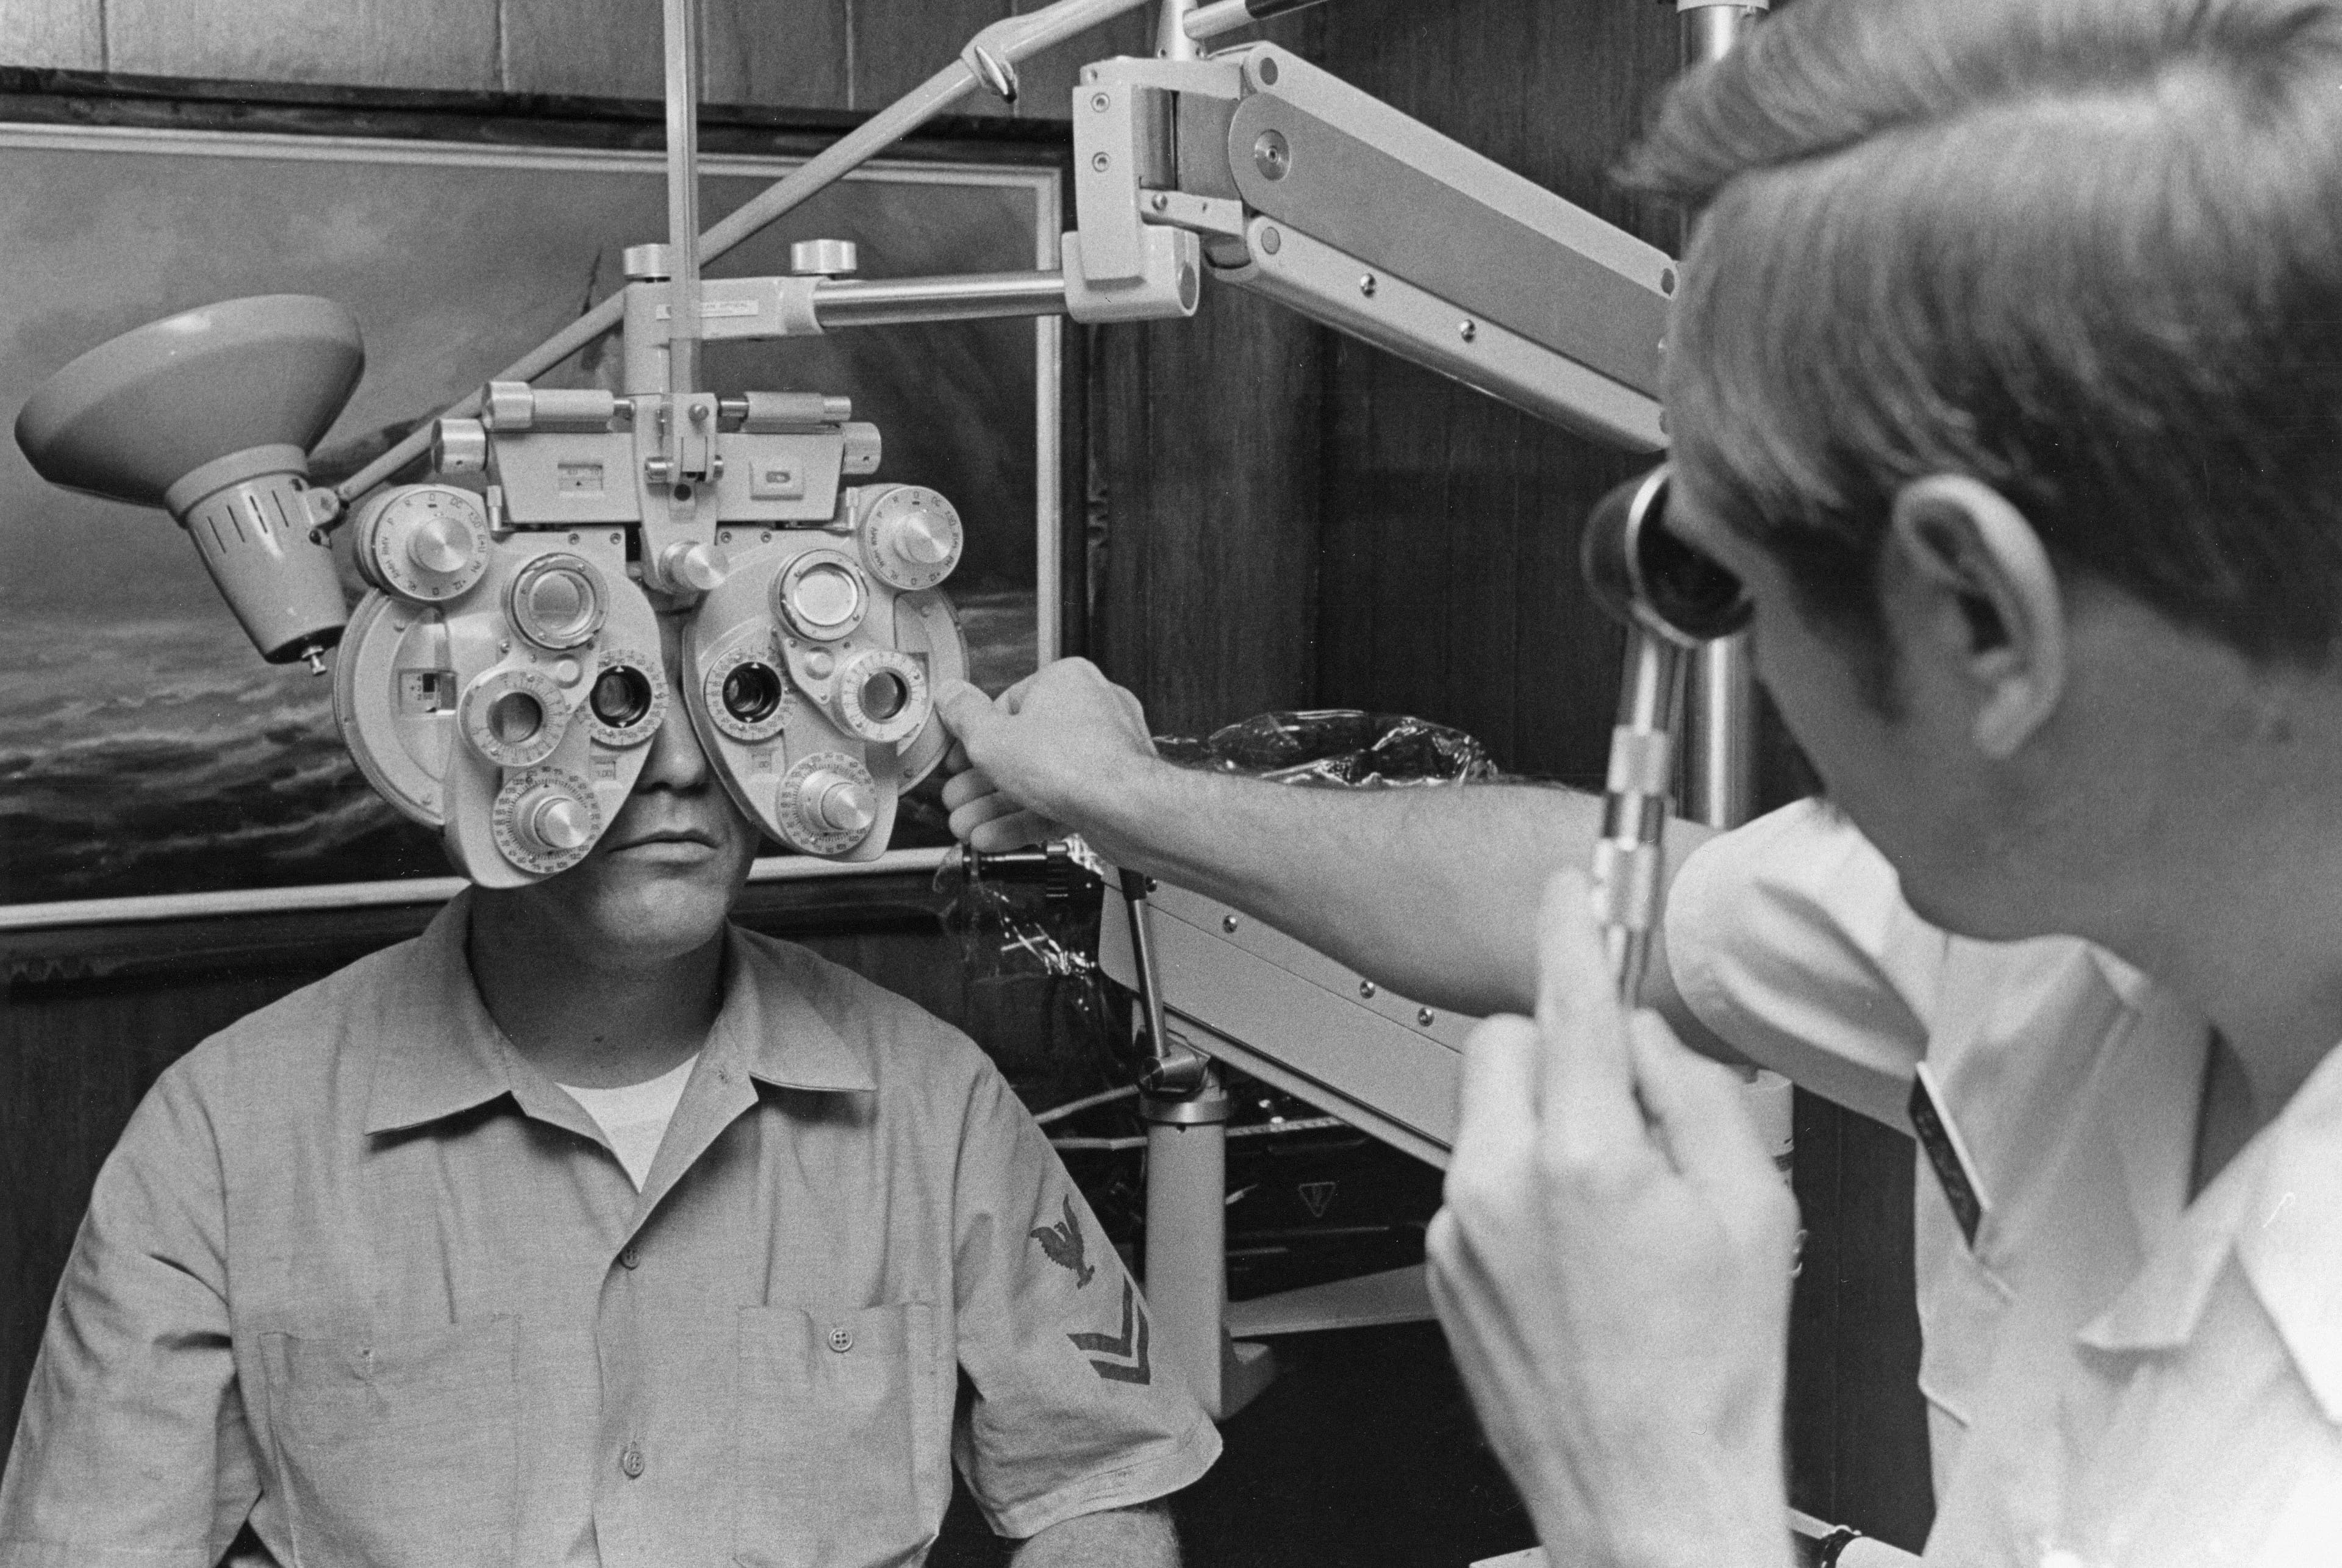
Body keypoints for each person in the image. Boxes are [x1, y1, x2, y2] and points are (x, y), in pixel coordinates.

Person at [933, 0, 2342, 1562]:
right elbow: (1612, 895)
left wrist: (1647, 1481)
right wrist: (1128, 791)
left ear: (1982, 621)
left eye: (1731, 582)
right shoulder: (2092, 865)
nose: (1746, 656)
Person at [0, 613, 1216, 1567]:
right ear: (467, 733)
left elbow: (1096, 1485)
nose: (679, 767)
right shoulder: (225, 1134)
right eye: (617, 704)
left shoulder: (932, 1103)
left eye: (734, 701)